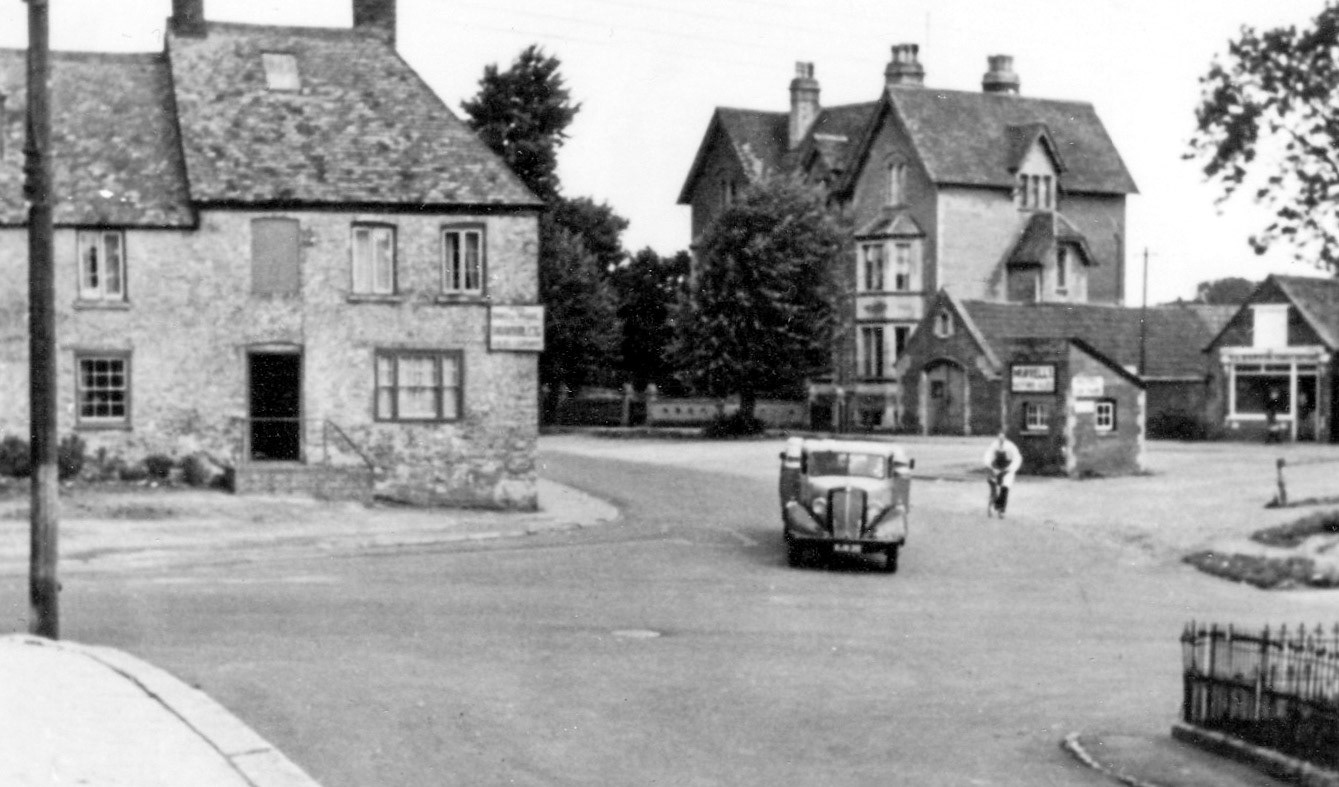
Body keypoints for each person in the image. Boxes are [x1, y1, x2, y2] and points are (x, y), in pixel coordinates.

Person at [983, 431, 1023, 518]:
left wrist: (1011, 469)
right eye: (999, 438)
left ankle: (1001, 510)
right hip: (995, 469)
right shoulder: (994, 445)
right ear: (997, 438)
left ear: (1005, 438)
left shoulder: (1010, 446)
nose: (1001, 440)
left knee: (1004, 489)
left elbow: (1017, 458)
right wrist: (989, 466)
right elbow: (988, 455)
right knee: (994, 490)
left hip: (1007, 470)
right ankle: (994, 505)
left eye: (1003, 438)